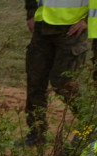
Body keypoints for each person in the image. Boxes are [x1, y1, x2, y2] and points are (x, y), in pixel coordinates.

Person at [24, 0, 89, 146]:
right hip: (43, 26)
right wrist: (31, 13)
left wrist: (87, 21)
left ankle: (91, 122)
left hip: (72, 29)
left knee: (63, 82)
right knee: (35, 80)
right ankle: (37, 134)